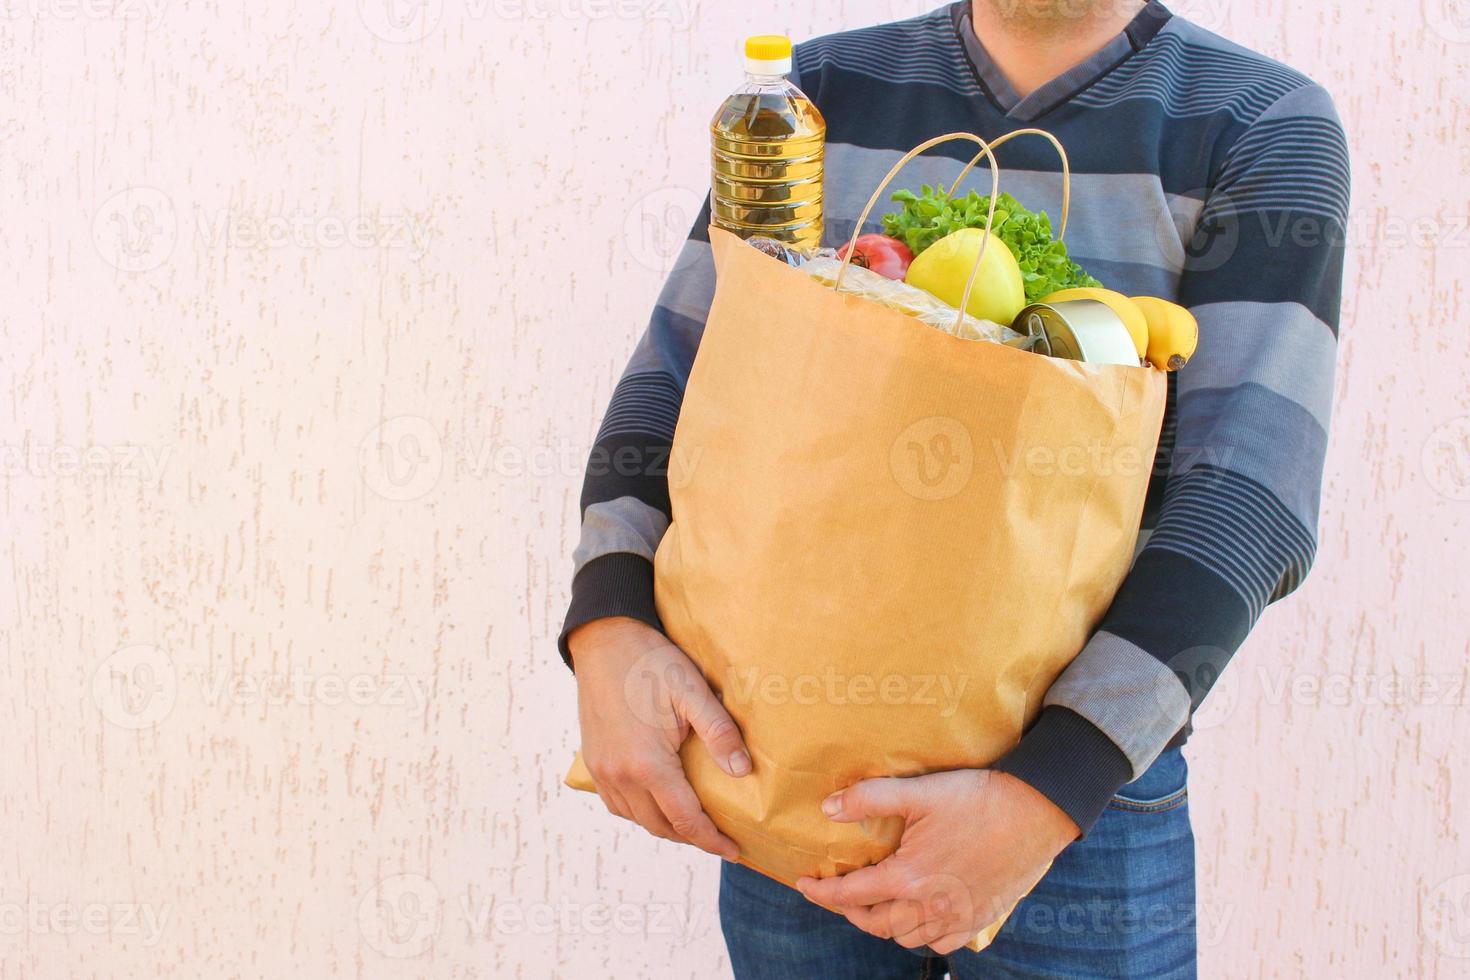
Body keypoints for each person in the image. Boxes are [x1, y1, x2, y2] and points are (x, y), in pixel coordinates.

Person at [561, 1, 1349, 976]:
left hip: (1077, 814)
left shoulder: (1258, 123)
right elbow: (673, 386)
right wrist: (610, 632)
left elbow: (1249, 495)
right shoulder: (809, 98)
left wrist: (1047, 790)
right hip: (789, 764)